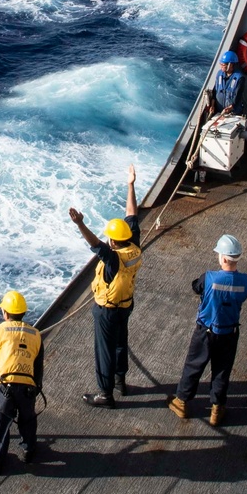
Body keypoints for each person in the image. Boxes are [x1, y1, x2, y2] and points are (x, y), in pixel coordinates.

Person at [70, 165, 142, 407]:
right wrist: (131, 184)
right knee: (122, 343)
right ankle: (121, 381)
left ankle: (105, 394)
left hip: (108, 311)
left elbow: (95, 244)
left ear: (113, 241)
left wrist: (80, 223)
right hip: (126, 305)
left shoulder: (113, 259)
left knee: (105, 350)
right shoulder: (134, 244)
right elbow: (132, 213)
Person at [167, 234, 247, 426]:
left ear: (222, 258)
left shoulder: (209, 278)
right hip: (229, 333)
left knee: (193, 366)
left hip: (205, 331)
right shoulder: (246, 281)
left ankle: (181, 401)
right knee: (222, 370)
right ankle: (217, 408)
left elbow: (196, 287)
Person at [0, 290, 43, 473]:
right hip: (28, 386)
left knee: (0, 422)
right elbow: (38, 365)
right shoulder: (36, 334)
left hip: (2, 387)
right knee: (27, 420)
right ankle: (28, 451)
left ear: (5, 313)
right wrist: (36, 389)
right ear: (23, 313)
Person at [208, 51, 244, 115]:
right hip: (219, 111)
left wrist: (230, 108)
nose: (221, 66)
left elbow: (237, 96)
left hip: (232, 113)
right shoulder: (219, 74)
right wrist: (212, 105)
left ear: (230, 65)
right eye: (220, 64)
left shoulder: (239, 78)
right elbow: (215, 91)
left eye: (223, 65)